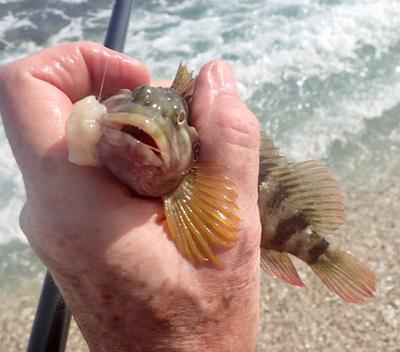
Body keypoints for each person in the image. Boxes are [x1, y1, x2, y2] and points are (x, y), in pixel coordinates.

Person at [0, 42, 261, 351]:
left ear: (189, 145)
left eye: (174, 121)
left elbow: (210, 240)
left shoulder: (188, 193)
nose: (146, 122)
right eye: (137, 101)